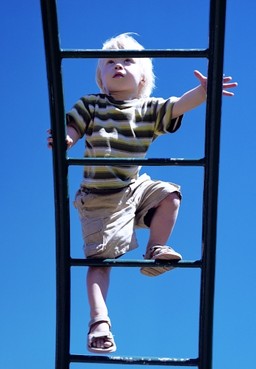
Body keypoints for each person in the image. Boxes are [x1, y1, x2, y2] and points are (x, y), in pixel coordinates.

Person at [46, 33, 237, 354]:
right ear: (101, 77)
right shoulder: (92, 103)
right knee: (100, 261)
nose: (117, 65)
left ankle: (155, 250)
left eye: (127, 61)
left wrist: (203, 91)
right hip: (99, 199)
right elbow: (73, 127)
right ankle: (99, 321)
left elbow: (178, 105)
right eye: (109, 62)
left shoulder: (149, 110)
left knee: (170, 194)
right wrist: (66, 139)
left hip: (133, 189)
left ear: (144, 77)